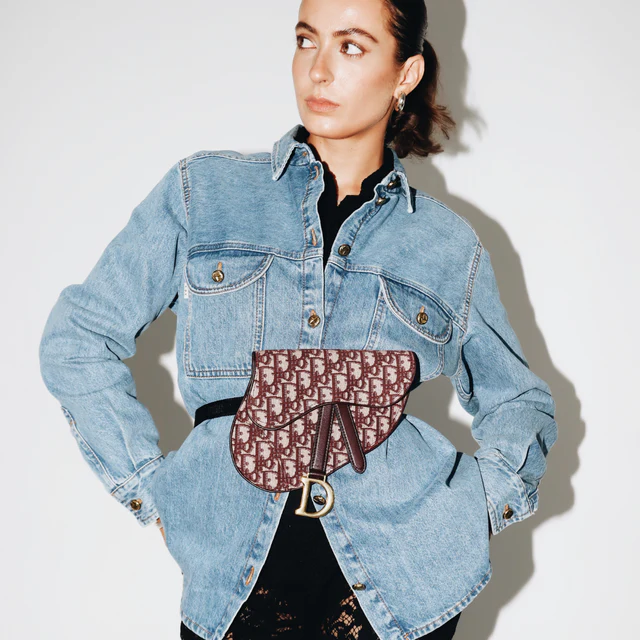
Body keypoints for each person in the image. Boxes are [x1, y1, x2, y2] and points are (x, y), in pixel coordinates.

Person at [39, 1, 558, 639]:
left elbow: (520, 401)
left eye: (351, 46)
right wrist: (152, 487)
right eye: (307, 40)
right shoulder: (205, 194)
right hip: (238, 582)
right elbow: (78, 339)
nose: (318, 69)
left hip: (397, 593)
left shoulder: (448, 247)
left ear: (405, 74)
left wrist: (476, 507)